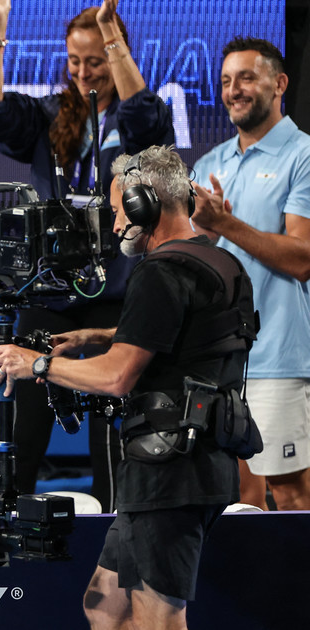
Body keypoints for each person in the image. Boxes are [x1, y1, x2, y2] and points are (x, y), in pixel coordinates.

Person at [0, 146, 252, 629]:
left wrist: (39, 364)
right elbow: (179, 332)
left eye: (117, 212)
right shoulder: (218, 262)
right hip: (195, 465)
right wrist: (95, 335)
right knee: (105, 607)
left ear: (143, 204)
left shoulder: (159, 272)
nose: (113, 227)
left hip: (168, 474)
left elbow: (116, 377)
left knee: (158, 619)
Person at [0, 0, 176, 511]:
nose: (84, 72)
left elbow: (146, 117)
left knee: (112, 420)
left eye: (96, 61)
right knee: (25, 418)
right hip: (52, 291)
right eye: (75, 61)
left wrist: (113, 37)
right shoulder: (50, 115)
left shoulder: (135, 120)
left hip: (118, 290)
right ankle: (11, 517)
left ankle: (115, 524)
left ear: (114, 56)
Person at [191, 36, 310, 511]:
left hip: (278, 358)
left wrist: (225, 224)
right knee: (238, 495)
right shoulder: (210, 164)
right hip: (220, 358)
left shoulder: (303, 155)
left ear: (279, 84)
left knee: (291, 490)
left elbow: (303, 258)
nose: (233, 90)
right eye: (225, 81)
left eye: (245, 78)